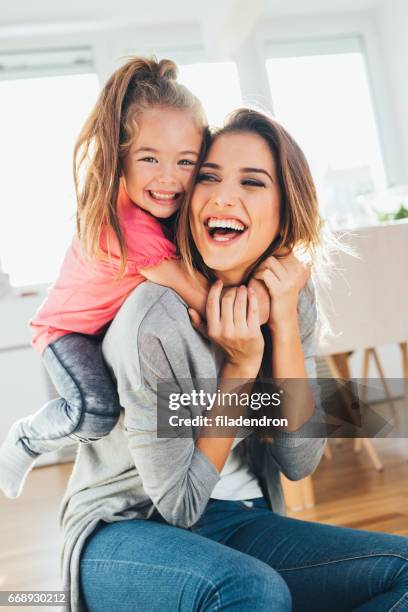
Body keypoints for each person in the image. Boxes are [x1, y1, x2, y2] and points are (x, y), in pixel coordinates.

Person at [63, 108, 408, 612]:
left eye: (252, 182)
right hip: (125, 530)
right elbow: (180, 506)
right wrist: (239, 371)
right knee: (250, 590)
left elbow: (299, 460)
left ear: (285, 208)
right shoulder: (154, 320)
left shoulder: (290, 297)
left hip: (239, 520)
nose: (224, 196)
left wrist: (285, 323)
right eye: (208, 177)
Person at [0, 56, 214, 499]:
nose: (168, 178)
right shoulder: (127, 225)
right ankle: (26, 437)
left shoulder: (161, 211)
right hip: (67, 332)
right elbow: (193, 291)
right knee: (95, 412)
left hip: (106, 327)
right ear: (120, 157)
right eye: (150, 157)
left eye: (186, 162)